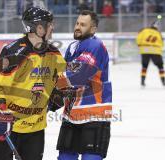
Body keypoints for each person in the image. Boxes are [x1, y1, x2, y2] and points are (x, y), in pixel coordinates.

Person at [0, 7, 66, 160]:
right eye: (50, 24)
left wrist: (59, 95)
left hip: (35, 128)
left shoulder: (54, 54)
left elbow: (60, 81)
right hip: (7, 126)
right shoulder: (14, 52)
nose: (52, 27)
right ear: (39, 27)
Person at [49, 10, 112, 160]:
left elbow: (80, 75)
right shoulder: (72, 47)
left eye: (83, 25)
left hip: (94, 116)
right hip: (71, 115)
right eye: (77, 23)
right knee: (65, 157)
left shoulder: (95, 45)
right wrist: (50, 104)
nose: (78, 27)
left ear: (93, 29)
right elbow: (67, 83)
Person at [136, 19, 165, 87]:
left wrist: (139, 45)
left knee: (144, 67)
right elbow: (161, 43)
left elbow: (138, 38)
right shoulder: (158, 33)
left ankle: (142, 81)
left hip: (145, 50)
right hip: (155, 51)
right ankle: (163, 81)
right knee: (160, 67)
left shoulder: (144, 30)